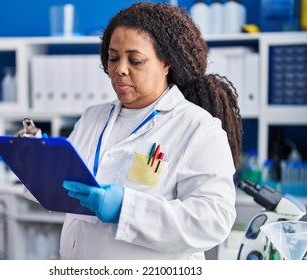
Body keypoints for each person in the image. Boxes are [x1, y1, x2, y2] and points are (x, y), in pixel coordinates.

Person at [60, 2, 242, 260]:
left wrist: (126, 208)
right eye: (113, 57)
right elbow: (64, 184)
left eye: (135, 60)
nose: (120, 69)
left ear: (167, 63)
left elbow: (213, 220)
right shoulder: (93, 117)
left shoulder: (198, 128)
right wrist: (37, 161)